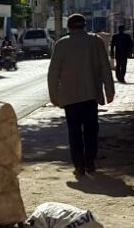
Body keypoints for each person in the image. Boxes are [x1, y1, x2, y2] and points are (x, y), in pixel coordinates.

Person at [48, 13, 115, 180]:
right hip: (90, 94)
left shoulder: (61, 44)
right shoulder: (95, 41)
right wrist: (109, 89)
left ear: (69, 27)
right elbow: (105, 67)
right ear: (84, 26)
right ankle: (90, 162)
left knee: (74, 131)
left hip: (70, 97)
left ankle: (79, 166)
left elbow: (53, 73)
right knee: (91, 130)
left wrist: (53, 94)